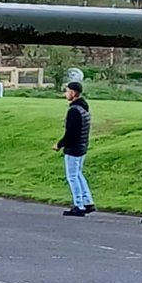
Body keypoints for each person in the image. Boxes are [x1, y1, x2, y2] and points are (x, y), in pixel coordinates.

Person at [54, 80, 94, 217]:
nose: (66, 94)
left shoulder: (74, 111)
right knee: (78, 174)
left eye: (67, 91)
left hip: (74, 148)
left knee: (72, 176)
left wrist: (59, 145)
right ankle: (88, 201)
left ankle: (79, 205)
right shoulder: (84, 108)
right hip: (82, 146)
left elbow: (70, 133)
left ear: (73, 93)